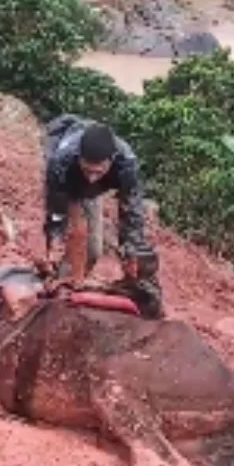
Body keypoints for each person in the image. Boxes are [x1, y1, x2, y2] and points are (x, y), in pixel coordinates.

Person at [40, 113, 165, 319]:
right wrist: (55, 239)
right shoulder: (60, 160)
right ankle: (59, 288)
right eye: (88, 169)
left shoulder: (126, 164)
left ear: (111, 160)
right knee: (77, 239)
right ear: (79, 157)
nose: (91, 176)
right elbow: (56, 209)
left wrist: (131, 253)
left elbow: (131, 214)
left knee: (95, 250)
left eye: (98, 171)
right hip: (68, 183)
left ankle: (76, 282)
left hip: (93, 191)